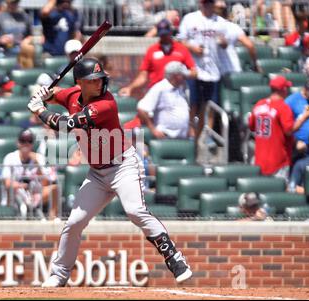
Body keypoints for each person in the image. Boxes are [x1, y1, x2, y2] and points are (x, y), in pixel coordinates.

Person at [27, 57, 192, 287]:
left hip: (122, 165)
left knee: (135, 211)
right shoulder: (74, 94)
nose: (99, 84)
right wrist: (45, 94)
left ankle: (174, 258)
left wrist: (39, 110)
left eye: (100, 79)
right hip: (97, 173)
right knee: (74, 222)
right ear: (81, 83)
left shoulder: (105, 104)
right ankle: (59, 274)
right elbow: (56, 95)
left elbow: (64, 125)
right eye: (93, 80)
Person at [178, 0, 228, 140]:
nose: (208, 6)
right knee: (193, 103)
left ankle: (207, 134)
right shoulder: (190, 18)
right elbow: (181, 41)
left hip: (213, 70)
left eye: (210, 3)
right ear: (201, 4)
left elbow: (225, 43)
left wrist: (223, 42)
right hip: (194, 69)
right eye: (205, 3)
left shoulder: (220, 22)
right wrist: (192, 47)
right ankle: (190, 133)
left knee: (209, 105)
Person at [248, 76, 309, 182]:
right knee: (278, 193)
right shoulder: (283, 107)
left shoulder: (259, 104)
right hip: (278, 160)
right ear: (283, 90)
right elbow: (289, 131)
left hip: (259, 159)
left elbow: (252, 126)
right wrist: (304, 117)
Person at [119, 18, 196, 98]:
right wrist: (130, 88)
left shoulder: (181, 49)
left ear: (170, 32)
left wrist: (182, 72)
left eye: (166, 34)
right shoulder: (152, 50)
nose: (164, 37)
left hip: (176, 92)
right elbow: (143, 76)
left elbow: (194, 72)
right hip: (157, 92)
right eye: (162, 35)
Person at [1, 129, 59, 221]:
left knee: (55, 188)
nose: (26, 144)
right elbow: (7, 183)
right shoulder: (10, 158)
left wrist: (37, 165)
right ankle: (11, 217)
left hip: (34, 194)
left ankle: (53, 219)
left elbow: (45, 183)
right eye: (23, 141)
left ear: (32, 144)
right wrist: (24, 186)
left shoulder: (38, 158)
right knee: (12, 189)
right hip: (17, 196)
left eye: (29, 141)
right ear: (18, 143)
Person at [137, 61, 192, 139]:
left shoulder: (183, 89)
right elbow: (142, 109)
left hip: (183, 138)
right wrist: (153, 129)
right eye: (183, 75)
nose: (185, 77)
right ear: (175, 76)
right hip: (165, 137)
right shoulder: (160, 88)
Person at [214, 0, 258, 75]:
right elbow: (250, 45)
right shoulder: (233, 27)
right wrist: (255, 64)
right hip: (233, 69)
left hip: (215, 72)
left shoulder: (206, 27)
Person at [0, 0, 34, 67]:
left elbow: (32, 35)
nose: (14, 4)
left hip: (22, 52)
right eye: (12, 3)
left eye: (16, 2)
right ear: (7, 3)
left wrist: (27, 40)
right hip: (4, 52)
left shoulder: (25, 17)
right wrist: (0, 40)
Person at [284, 77, 309, 158]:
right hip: (302, 148)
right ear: (306, 89)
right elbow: (285, 127)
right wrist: (295, 142)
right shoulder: (291, 101)